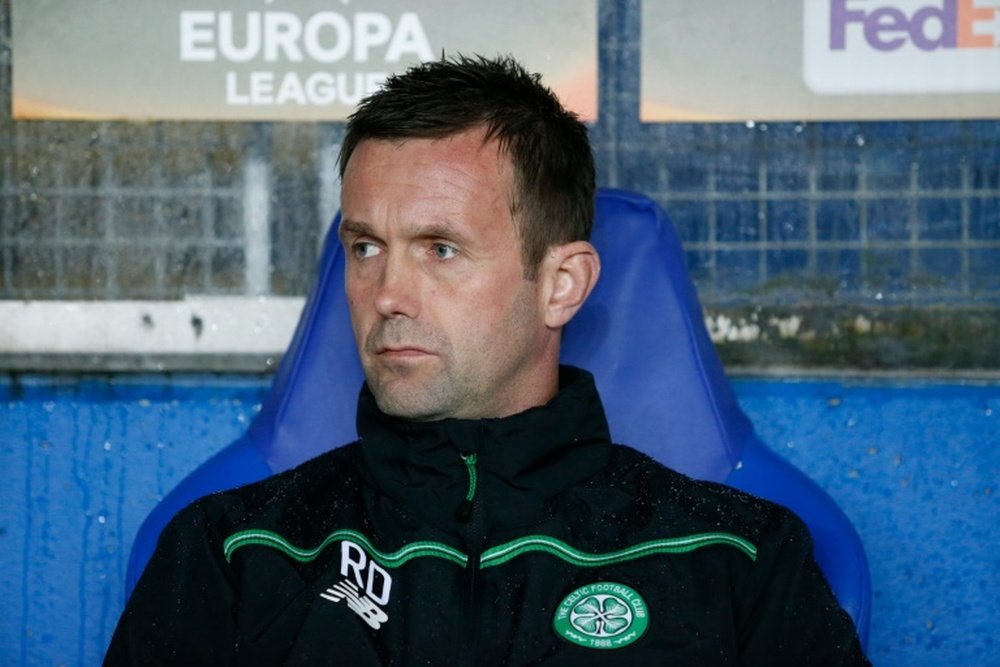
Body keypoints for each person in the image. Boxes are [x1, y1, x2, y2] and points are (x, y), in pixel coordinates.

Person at [105, 55, 869, 665]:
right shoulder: (235, 550)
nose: (387, 294)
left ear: (561, 284)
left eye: (440, 249)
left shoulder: (735, 559)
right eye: (365, 247)